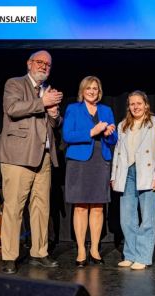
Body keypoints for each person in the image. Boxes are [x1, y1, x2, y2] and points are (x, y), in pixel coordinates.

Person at [0, 50, 63, 274]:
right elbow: (12, 110)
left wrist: (54, 114)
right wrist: (43, 102)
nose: (44, 67)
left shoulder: (47, 91)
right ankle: (9, 257)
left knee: (41, 207)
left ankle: (39, 252)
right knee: (14, 207)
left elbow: (53, 124)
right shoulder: (14, 84)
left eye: (48, 65)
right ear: (29, 64)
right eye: (40, 62)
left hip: (43, 156)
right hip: (18, 156)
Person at [63, 76, 117, 267]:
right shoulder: (73, 109)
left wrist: (109, 134)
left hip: (100, 160)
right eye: (89, 88)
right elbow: (67, 135)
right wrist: (91, 132)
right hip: (79, 162)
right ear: (82, 90)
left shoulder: (106, 110)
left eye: (95, 88)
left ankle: (94, 249)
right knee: (80, 206)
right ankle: (80, 251)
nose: (92, 91)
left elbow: (113, 140)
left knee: (98, 207)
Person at [111, 90, 155, 270]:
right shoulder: (123, 125)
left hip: (148, 172)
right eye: (132, 104)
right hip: (127, 173)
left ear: (146, 105)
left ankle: (142, 256)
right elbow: (117, 152)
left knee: (147, 217)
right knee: (126, 217)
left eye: (139, 103)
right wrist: (113, 176)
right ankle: (130, 254)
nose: (135, 107)